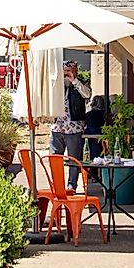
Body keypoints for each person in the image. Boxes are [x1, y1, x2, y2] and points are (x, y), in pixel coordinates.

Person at [50, 60, 91, 191]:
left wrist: (75, 81)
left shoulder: (82, 83)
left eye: (70, 70)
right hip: (57, 127)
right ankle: (57, 184)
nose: (67, 73)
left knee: (74, 159)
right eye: (65, 71)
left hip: (74, 128)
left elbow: (87, 94)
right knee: (55, 158)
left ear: (75, 71)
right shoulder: (57, 84)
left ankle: (71, 185)